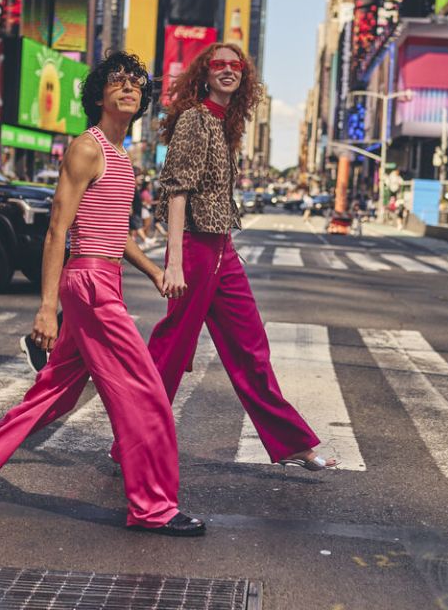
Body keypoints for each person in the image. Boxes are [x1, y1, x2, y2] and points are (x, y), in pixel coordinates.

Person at [0, 52, 205, 537]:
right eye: (117, 82)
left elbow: (114, 233)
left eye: (135, 84)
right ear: (98, 95)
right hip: (90, 285)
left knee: (51, 398)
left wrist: (154, 272)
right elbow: (59, 229)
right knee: (147, 396)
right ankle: (153, 507)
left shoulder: (120, 158)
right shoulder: (87, 148)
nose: (128, 89)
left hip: (105, 280)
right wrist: (46, 308)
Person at [143, 41, 336, 472]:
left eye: (236, 66)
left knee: (251, 347)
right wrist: (174, 261)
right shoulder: (195, 120)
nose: (228, 71)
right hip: (194, 249)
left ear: (244, 77)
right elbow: (176, 191)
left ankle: (290, 442)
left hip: (222, 251)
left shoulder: (225, 123)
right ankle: (135, 440)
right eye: (219, 65)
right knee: (172, 349)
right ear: (205, 73)